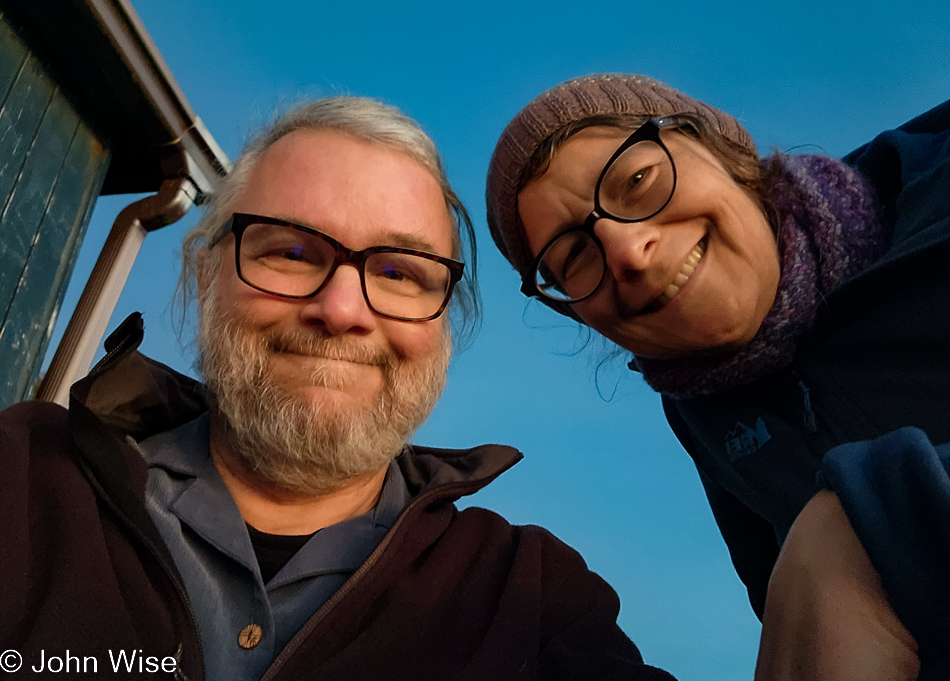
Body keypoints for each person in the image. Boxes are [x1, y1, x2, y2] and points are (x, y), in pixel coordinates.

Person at [0, 96, 678, 681]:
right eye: (291, 253)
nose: (344, 309)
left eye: (401, 272)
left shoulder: (534, 598)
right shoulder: (23, 479)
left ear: (444, 324)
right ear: (203, 279)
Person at [486, 74, 950, 680]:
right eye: (573, 257)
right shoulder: (707, 413)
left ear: (724, 150)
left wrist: (858, 532)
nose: (626, 251)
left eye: (636, 181)